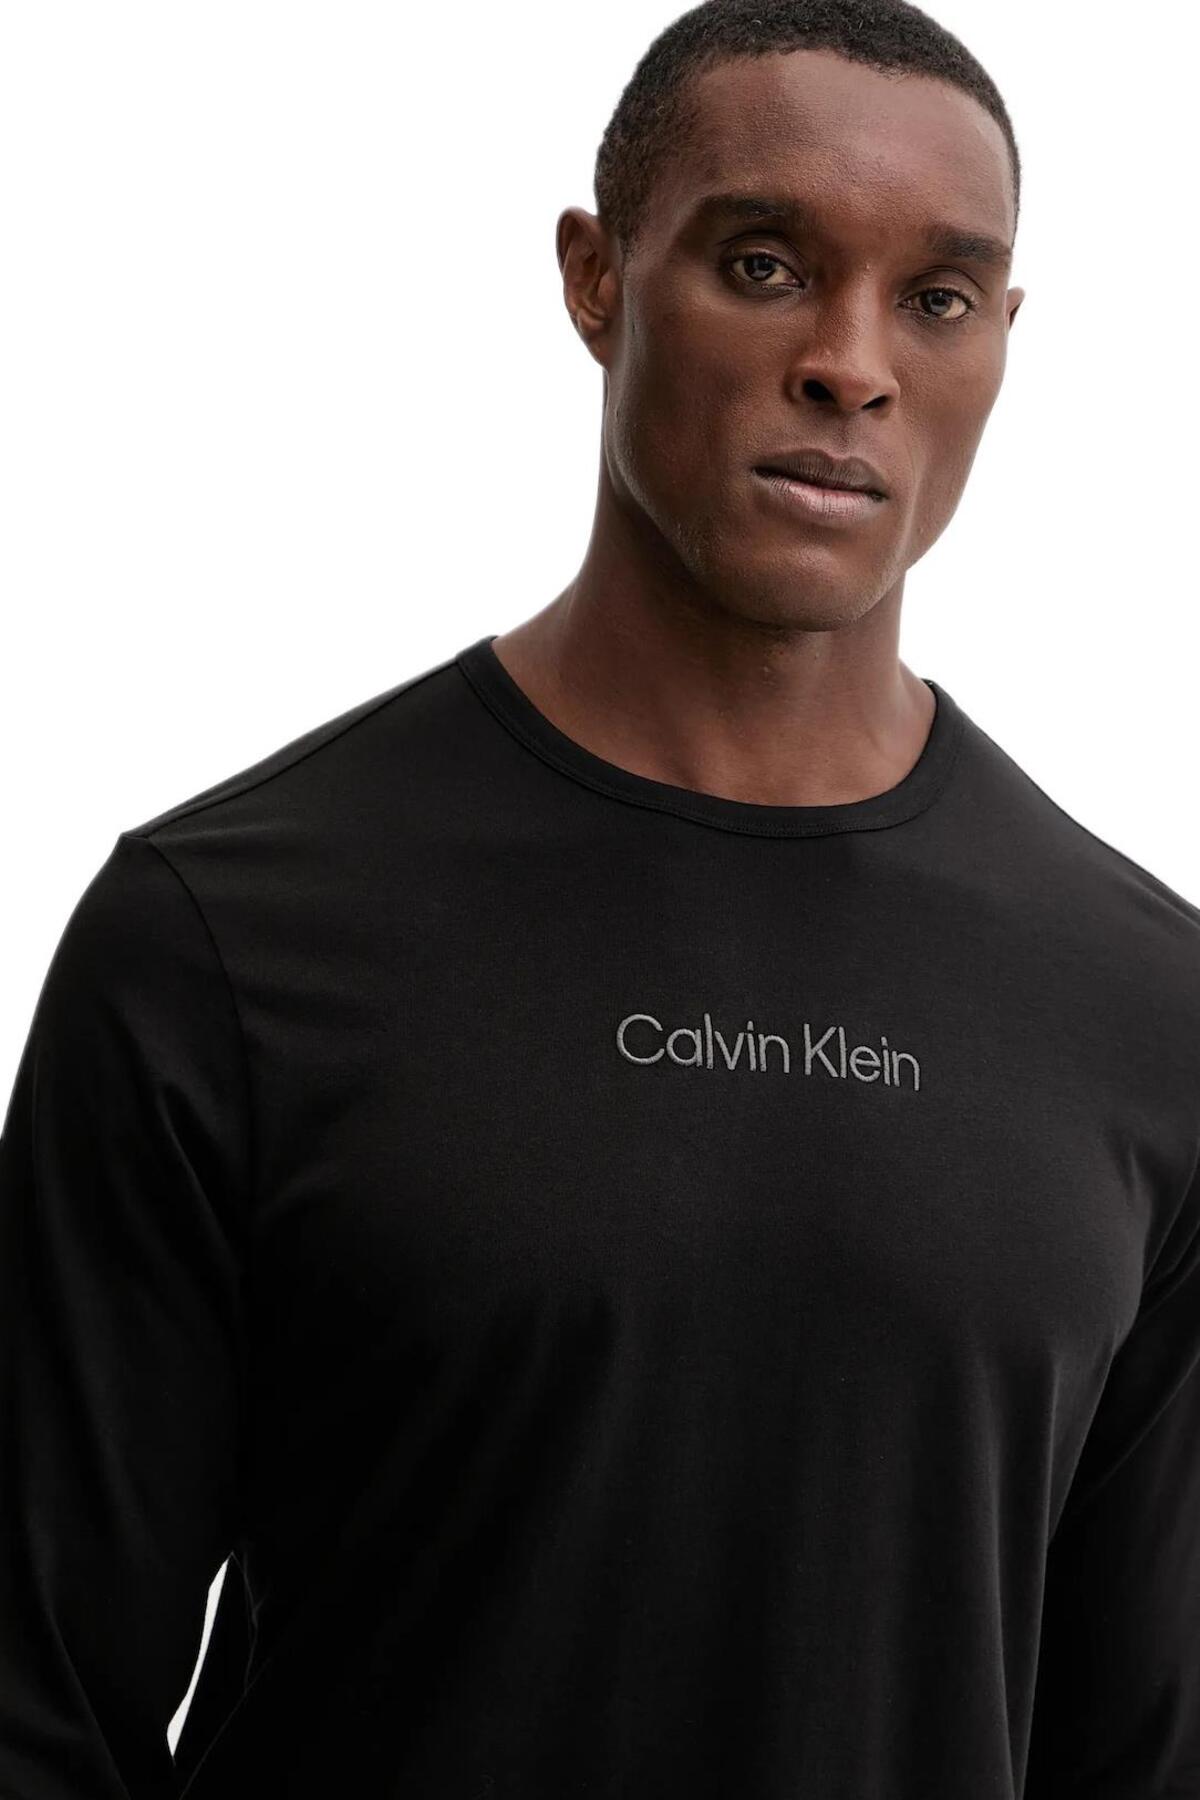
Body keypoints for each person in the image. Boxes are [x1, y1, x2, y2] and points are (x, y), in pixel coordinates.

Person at [2, 0, 1198, 1793]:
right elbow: (37, 1708)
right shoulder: (226, 940)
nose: (852, 366)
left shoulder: (1146, 1013)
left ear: (1003, 343)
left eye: (938, 299)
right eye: (767, 265)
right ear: (597, 277)